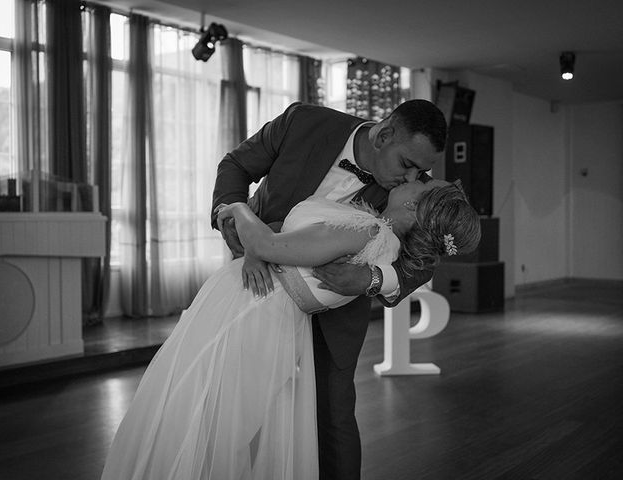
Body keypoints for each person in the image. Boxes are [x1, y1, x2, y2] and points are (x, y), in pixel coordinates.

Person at [101, 180, 481, 480]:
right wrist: (259, 247)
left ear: (415, 205)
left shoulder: (368, 233)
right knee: (216, 423)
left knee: (189, 414)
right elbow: (278, 246)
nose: (416, 178)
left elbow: (268, 243)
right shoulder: (385, 248)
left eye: (423, 183)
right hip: (266, 321)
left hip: (246, 311)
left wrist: (235, 208)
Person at [212, 100, 447, 479]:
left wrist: (369, 279)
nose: (412, 179)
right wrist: (234, 220)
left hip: (333, 311)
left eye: (422, 170)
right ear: (383, 134)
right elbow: (235, 166)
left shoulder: (409, 196)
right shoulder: (303, 122)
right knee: (241, 406)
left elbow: (423, 263)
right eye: (407, 164)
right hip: (258, 290)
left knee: (333, 415)